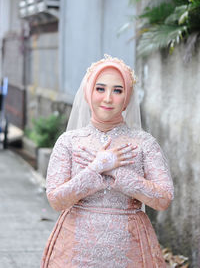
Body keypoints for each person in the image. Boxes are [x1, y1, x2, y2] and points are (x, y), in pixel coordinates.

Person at [41, 55, 174, 268]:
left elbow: (164, 199)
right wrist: (95, 168)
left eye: (118, 90)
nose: (108, 98)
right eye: (100, 89)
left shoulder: (144, 143)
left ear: (127, 97)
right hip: (75, 250)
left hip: (129, 250)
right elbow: (56, 200)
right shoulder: (69, 141)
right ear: (88, 92)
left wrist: (118, 173)